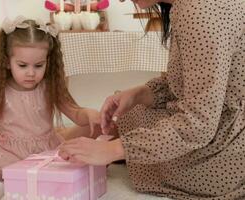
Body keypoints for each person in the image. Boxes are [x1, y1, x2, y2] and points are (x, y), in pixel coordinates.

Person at [59, 0, 245, 199]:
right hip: (224, 128)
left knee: (131, 130)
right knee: (130, 115)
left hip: (225, 156)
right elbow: (191, 82)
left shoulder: (200, 13)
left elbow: (199, 124)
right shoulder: (192, 7)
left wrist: (114, 150)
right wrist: (141, 94)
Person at [0, 16, 101, 200]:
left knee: (92, 130)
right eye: (22, 65)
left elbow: (75, 113)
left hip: (45, 155)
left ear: (48, 62)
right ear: (6, 62)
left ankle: (13, 181)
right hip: (7, 154)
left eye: (39, 65)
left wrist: (88, 114)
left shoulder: (50, 87)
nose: (31, 73)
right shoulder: (1, 90)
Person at [45, 0, 109, 12]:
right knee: (64, 6)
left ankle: (100, 5)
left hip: (87, 4)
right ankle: (55, 7)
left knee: (93, 5)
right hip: (72, 5)